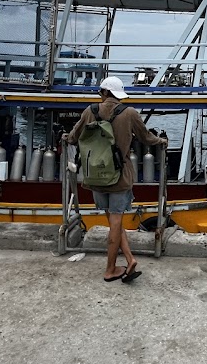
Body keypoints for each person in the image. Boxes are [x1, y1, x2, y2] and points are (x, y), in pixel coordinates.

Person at [65, 76, 165, 284]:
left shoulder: (89, 111)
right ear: (118, 94)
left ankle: (129, 260)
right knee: (116, 223)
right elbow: (147, 138)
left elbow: (73, 137)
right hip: (119, 176)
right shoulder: (129, 113)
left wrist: (65, 137)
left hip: (95, 176)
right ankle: (110, 269)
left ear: (103, 93)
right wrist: (161, 141)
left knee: (112, 221)